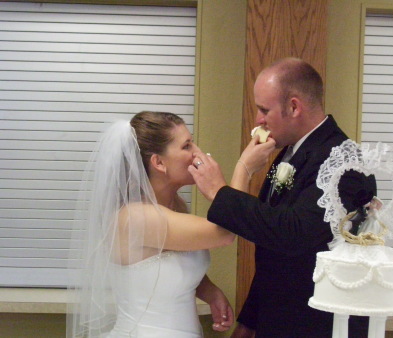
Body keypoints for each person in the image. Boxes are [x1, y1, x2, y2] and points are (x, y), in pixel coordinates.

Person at [189, 58, 377, 337]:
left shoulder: (343, 161)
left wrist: (219, 192)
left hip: (316, 324)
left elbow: (294, 233)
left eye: (264, 109)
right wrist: (251, 319)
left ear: (293, 106)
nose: (257, 120)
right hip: (277, 318)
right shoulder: (290, 152)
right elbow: (272, 252)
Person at [67, 111, 264, 337]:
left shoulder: (175, 206)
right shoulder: (135, 218)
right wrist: (244, 169)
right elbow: (225, 233)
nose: (199, 153)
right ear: (158, 162)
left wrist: (210, 291)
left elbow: (169, 265)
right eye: (187, 146)